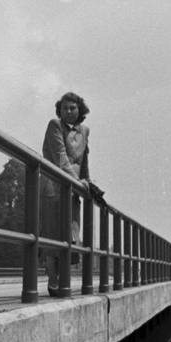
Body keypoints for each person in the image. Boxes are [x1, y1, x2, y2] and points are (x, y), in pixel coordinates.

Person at [41, 91, 104, 296]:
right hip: (54, 186)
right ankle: (53, 281)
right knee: (53, 235)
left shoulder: (85, 131)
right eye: (64, 108)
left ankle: (62, 279)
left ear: (80, 110)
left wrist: (88, 183)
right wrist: (78, 181)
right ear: (59, 110)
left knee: (71, 235)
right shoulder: (54, 125)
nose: (68, 111)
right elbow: (60, 158)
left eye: (72, 108)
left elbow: (84, 162)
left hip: (73, 189)